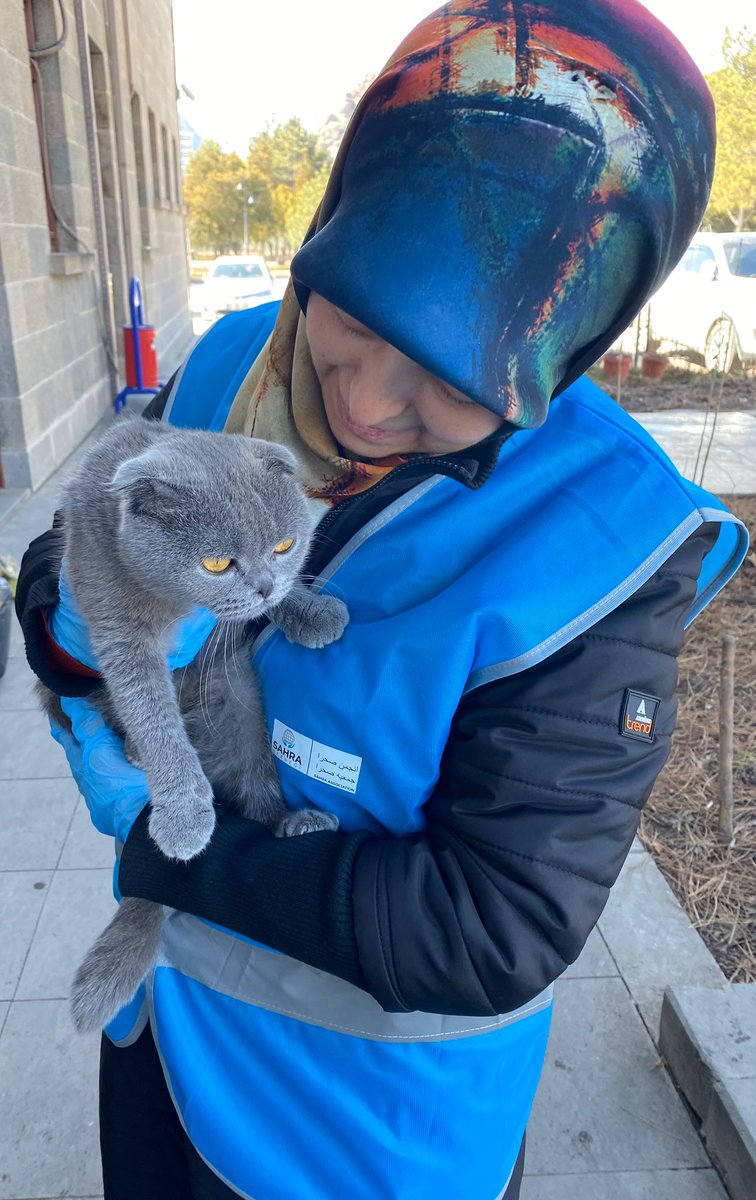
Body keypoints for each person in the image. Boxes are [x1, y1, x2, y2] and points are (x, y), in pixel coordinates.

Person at [16, 2, 749, 1197]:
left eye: (451, 384)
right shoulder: (236, 356)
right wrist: (71, 638)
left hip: (366, 1136)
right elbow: (79, 545)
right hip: (167, 1047)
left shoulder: (605, 540)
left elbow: (490, 924)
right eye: (353, 320)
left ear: (563, 355)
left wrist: (172, 855)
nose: (360, 405)